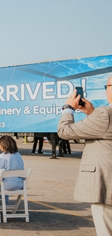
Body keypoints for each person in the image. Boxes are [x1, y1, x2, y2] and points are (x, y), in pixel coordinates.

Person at [58, 81, 112, 236]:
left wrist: (68, 108)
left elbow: (64, 131)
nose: (106, 90)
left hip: (105, 187)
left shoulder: (106, 114)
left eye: (107, 86)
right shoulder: (103, 115)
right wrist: (92, 113)